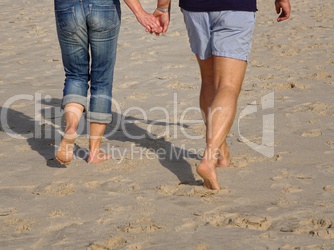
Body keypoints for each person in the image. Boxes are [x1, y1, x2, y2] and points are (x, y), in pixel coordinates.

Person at [153, 0, 291, 189]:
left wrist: (162, 6)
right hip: (236, 6)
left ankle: (221, 151)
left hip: (195, 8)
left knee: (209, 81)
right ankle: (209, 159)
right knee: (228, 86)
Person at [54, 0, 164, 165]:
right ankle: (94, 152)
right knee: (102, 79)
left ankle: (71, 128)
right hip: (103, 6)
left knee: (75, 75)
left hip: (66, 6)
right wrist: (140, 13)